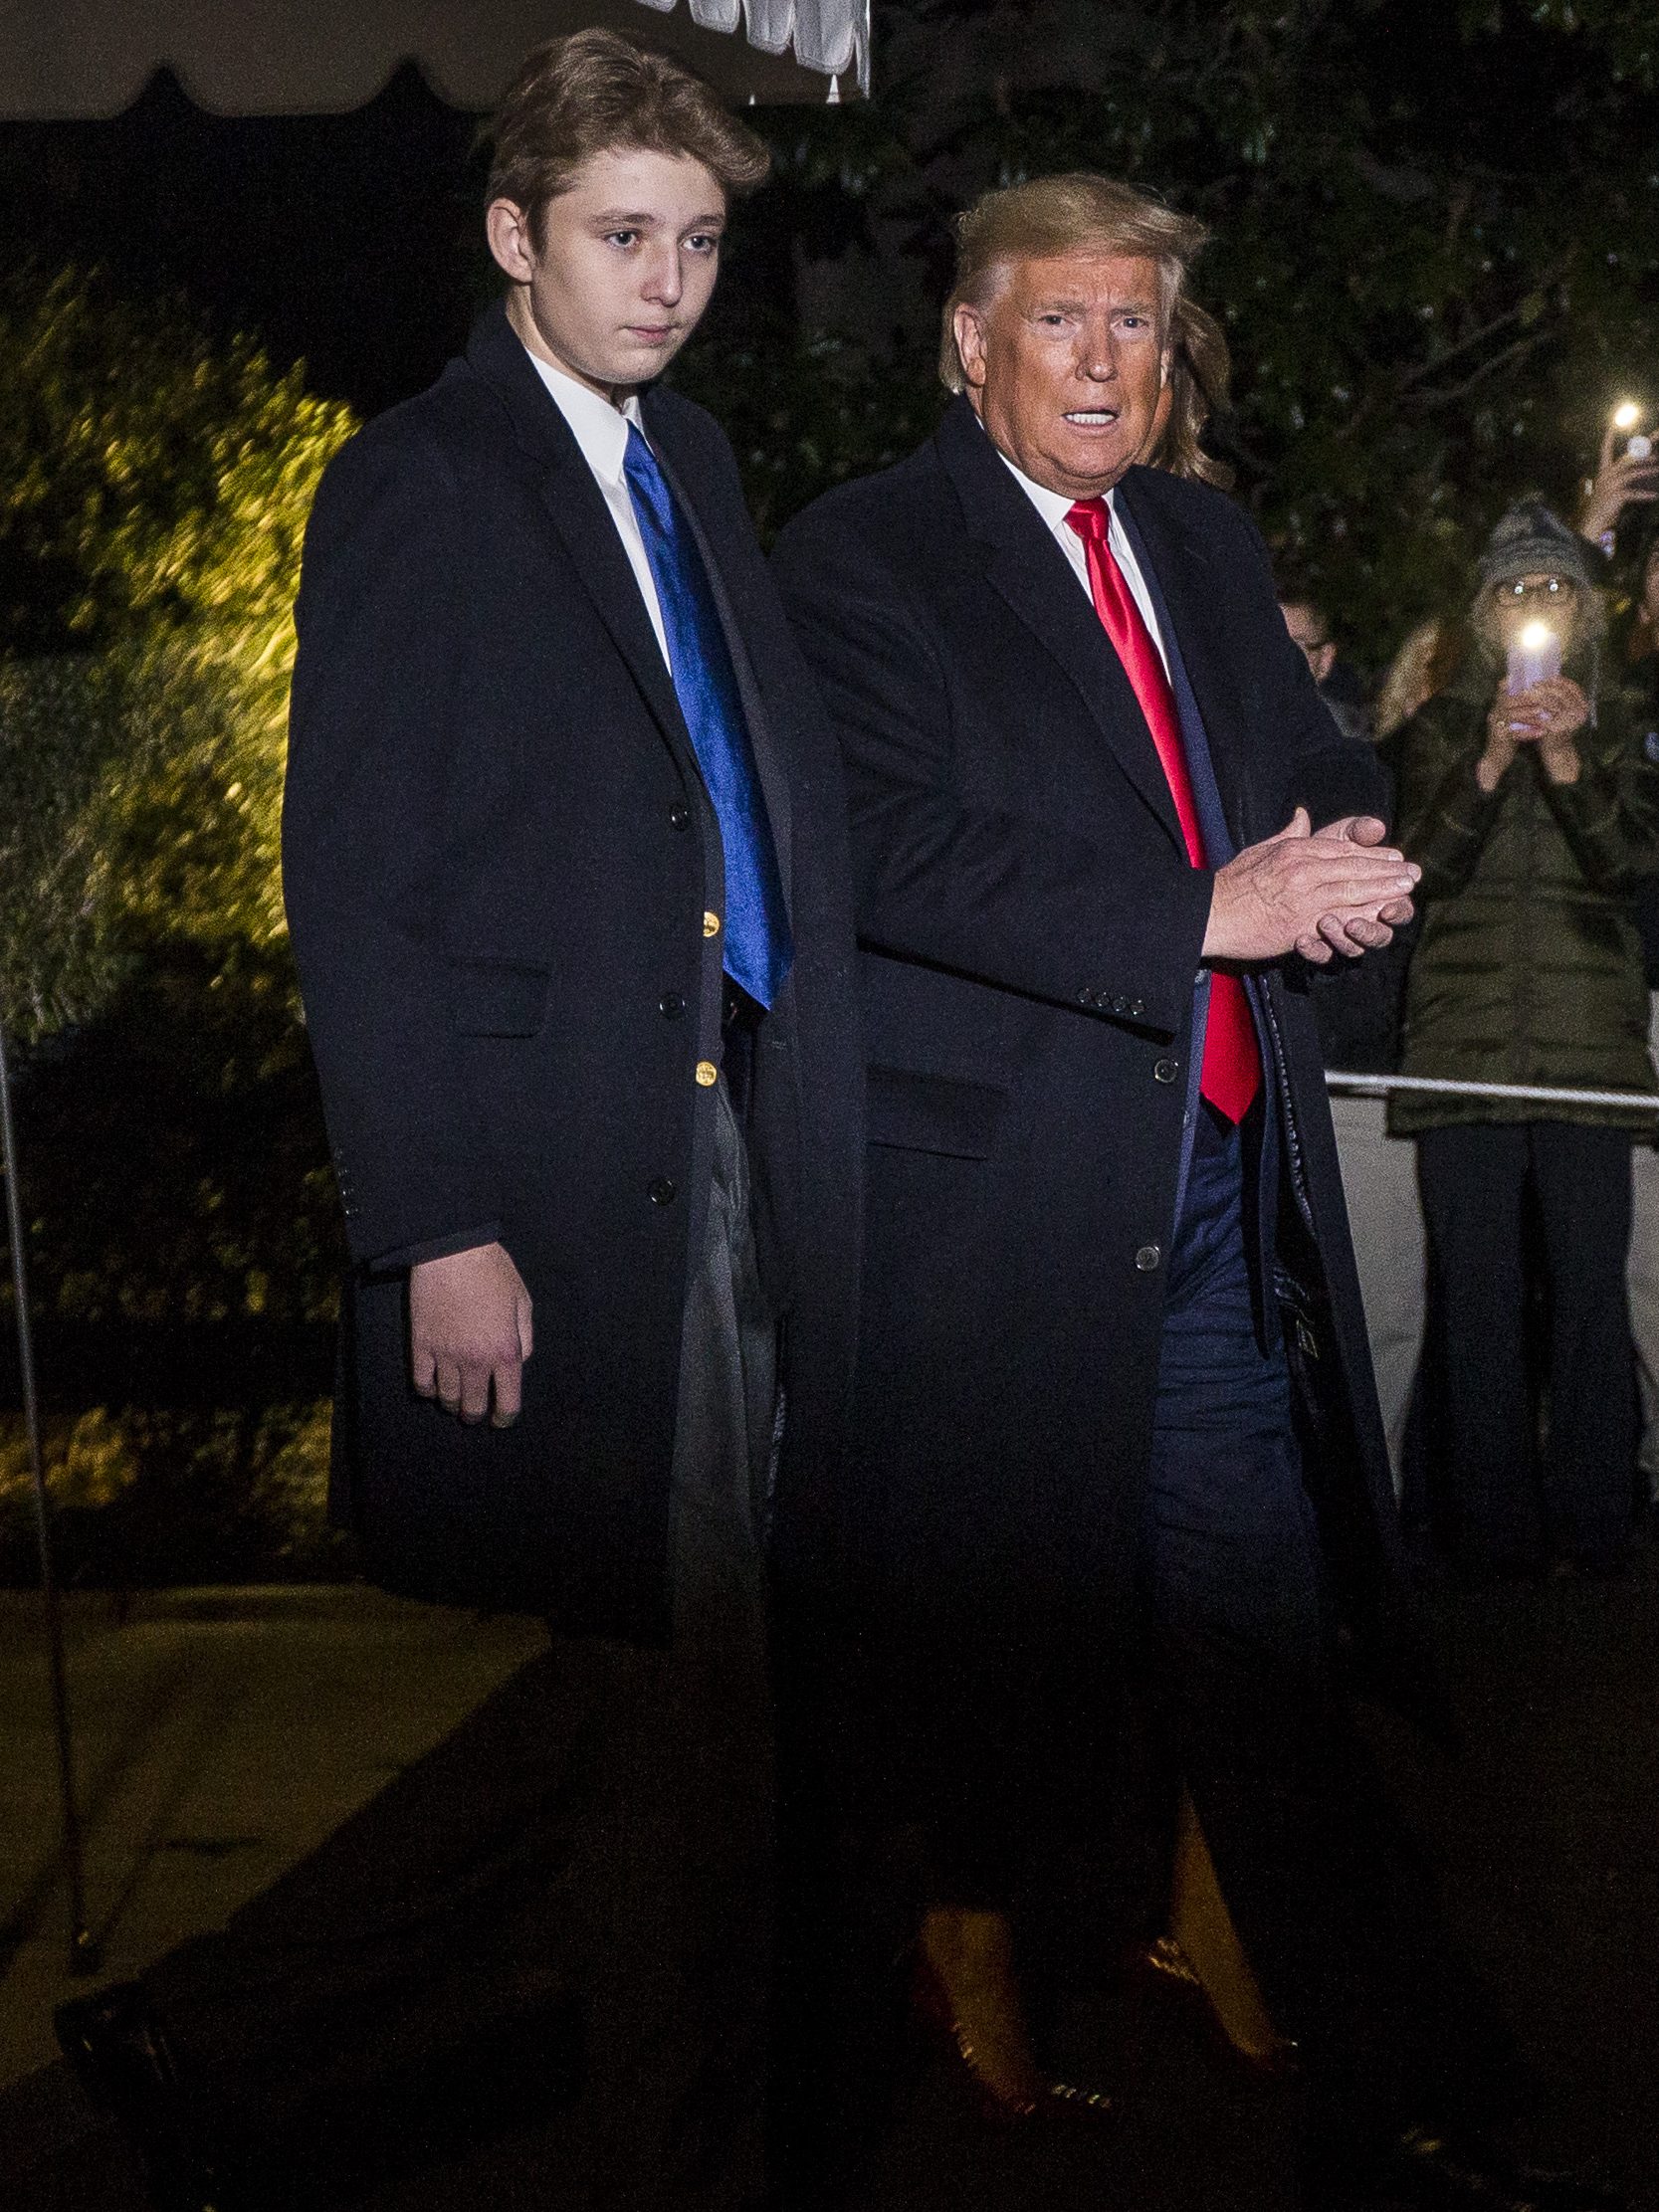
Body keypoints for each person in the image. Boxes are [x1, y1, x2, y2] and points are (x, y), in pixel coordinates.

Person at [55, 32, 862, 2212]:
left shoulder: (688, 455)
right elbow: (357, 873)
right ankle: (677, 2156)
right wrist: (434, 1224)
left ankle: (210, 2028)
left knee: (654, 1675)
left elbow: (758, 806)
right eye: (623, 237)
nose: (668, 282)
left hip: (738, 1142)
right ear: (514, 236)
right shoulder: (418, 478)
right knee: (691, 1721)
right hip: (566, 1179)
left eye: (697, 243)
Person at [772, 173, 1620, 2210]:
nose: (1099, 361)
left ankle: (1357, 2033)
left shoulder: (1201, 536)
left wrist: (1351, 846)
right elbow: (873, 848)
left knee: (1254, 1626)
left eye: (1134, 326)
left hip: (1224, 1198)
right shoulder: (861, 555)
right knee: (1002, 1626)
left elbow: (1301, 745)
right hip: (1008, 1205)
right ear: (967, 341)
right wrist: (1196, 909)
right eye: (1057, 321)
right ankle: (961, 1910)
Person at [1390, 502, 1659, 1582]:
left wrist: (1563, 758)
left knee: (1589, 1294)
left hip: (1587, 1048)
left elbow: (1630, 866)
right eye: (1513, 590)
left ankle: (1595, 1527)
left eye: (1553, 588)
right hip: (1457, 1044)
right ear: (1485, 613)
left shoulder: (1625, 711)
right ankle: (1488, 1532)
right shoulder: (1437, 726)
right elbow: (1416, 871)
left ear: (1582, 610)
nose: (1533, 606)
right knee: (1476, 1296)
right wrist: (1492, 761)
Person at [1289, 595, 1432, 1491]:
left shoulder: (1379, 763)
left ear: (1328, 654)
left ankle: (1368, 1515)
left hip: (1366, 1076)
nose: (1280, 658)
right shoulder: (1199, 748)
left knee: (1383, 1309)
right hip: (1255, 1082)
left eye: (1298, 645)